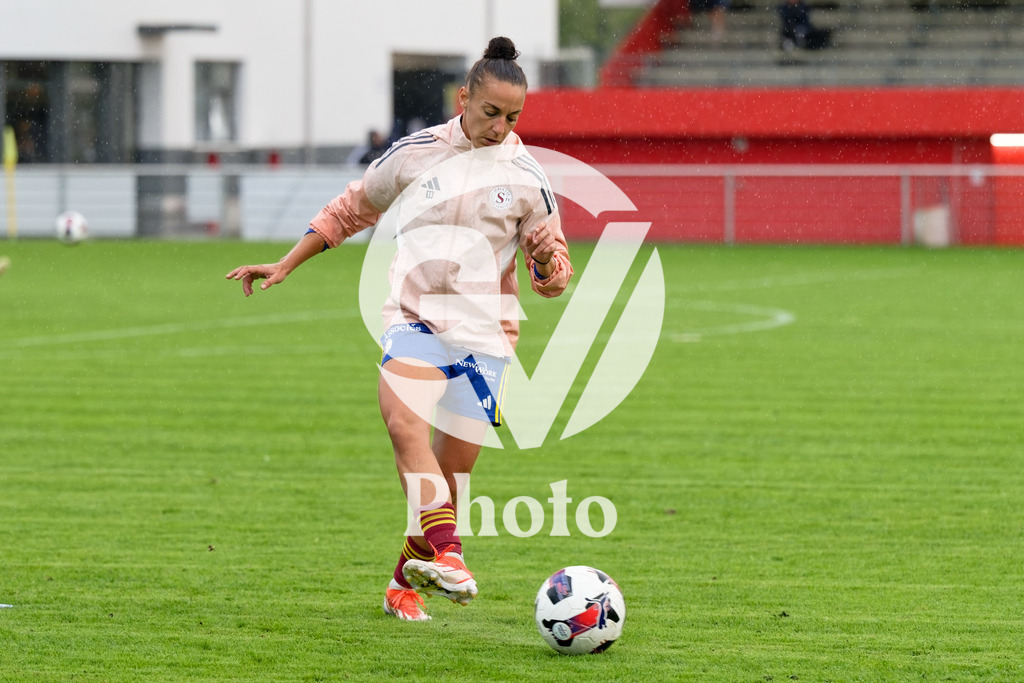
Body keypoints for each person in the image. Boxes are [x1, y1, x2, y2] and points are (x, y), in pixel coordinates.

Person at [225, 36, 572, 622]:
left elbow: (556, 276)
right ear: (463, 98)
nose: (499, 126)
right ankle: (452, 554)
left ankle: (401, 582)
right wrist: (286, 262)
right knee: (403, 422)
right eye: (490, 112)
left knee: (452, 476)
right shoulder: (414, 154)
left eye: (512, 117)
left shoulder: (527, 177)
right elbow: (350, 208)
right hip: (414, 319)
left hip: (485, 336)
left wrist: (543, 260)